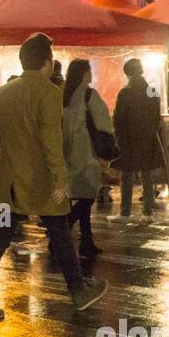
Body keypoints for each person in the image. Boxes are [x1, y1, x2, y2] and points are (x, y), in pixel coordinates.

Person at [0, 34, 109, 320]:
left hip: (10, 184)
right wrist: (60, 179)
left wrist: (7, 164)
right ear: (47, 62)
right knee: (59, 231)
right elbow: (51, 141)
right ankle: (78, 292)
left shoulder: (3, 92)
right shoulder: (49, 93)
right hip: (42, 182)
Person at [62, 59, 113, 258]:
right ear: (85, 74)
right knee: (88, 197)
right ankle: (62, 231)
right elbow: (103, 122)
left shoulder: (63, 95)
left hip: (69, 152)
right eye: (89, 72)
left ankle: (87, 241)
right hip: (88, 152)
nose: (91, 75)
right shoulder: (90, 95)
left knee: (82, 196)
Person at [110, 59, 162, 222]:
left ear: (127, 73)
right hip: (148, 138)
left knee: (127, 175)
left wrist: (118, 138)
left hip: (128, 139)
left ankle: (125, 212)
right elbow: (157, 116)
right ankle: (148, 212)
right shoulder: (152, 89)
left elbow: (118, 119)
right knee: (147, 174)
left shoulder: (126, 92)